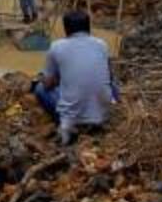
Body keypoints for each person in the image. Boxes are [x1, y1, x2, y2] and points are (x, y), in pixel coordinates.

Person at [31, 9, 118, 145]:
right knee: (112, 82)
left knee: (40, 89)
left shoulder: (56, 47)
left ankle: (70, 124)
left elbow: (48, 84)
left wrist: (44, 78)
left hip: (72, 118)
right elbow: (109, 77)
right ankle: (101, 114)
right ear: (88, 27)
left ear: (66, 29)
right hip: (103, 115)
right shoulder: (102, 44)